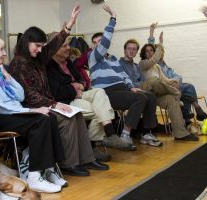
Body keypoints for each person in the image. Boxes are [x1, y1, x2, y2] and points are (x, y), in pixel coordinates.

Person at [9, 5, 108, 177]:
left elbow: (53, 45)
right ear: (27, 42)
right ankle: (68, 163)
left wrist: (68, 27)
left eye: (41, 46)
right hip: (31, 108)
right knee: (66, 118)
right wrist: (55, 104)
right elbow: (30, 95)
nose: (40, 50)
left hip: (46, 103)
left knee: (76, 114)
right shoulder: (19, 64)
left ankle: (86, 158)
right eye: (37, 46)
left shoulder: (36, 58)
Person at [0, 35, 67, 193]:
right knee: (40, 121)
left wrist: (7, 76)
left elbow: (20, 95)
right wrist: (31, 110)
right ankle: (34, 176)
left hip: (13, 113)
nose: (4, 53)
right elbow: (0, 106)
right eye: (1, 49)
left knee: (50, 117)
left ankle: (48, 169)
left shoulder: (1, 70)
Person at [46, 32, 133, 158]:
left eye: (68, 45)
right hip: (65, 101)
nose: (69, 48)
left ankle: (109, 136)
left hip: (79, 94)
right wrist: (73, 88)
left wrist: (80, 85)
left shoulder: (68, 62)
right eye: (64, 46)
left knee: (100, 92)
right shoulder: (48, 66)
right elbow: (57, 92)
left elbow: (82, 81)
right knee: (102, 110)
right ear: (54, 48)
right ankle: (92, 146)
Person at [88, 4, 160, 149]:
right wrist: (113, 17)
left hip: (122, 89)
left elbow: (123, 75)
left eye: (100, 42)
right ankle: (125, 135)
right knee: (141, 98)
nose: (98, 45)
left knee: (150, 97)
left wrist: (132, 87)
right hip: (107, 93)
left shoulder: (113, 59)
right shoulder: (93, 57)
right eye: (95, 43)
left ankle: (146, 133)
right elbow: (105, 42)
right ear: (93, 46)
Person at [139, 28, 199, 141]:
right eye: (147, 51)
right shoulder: (143, 64)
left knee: (172, 101)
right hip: (147, 93)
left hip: (157, 95)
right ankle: (178, 94)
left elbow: (165, 80)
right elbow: (154, 60)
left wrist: (174, 82)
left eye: (151, 51)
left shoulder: (156, 67)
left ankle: (180, 133)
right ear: (143, 53)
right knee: (154, 80)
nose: (150, 52)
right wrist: (160, 43)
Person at [148, 22, 207, 123]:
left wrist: (175, 81)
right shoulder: (153, 64)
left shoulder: (167, 67)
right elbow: (150, 47)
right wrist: (152, 33)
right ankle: (196, 109)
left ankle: (187, 119)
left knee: (188, 88)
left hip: (174, 87)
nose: (160, 53)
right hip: (163, 89)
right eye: (158, 51)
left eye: (161, 51)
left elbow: (178, 77)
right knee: (187, 88)